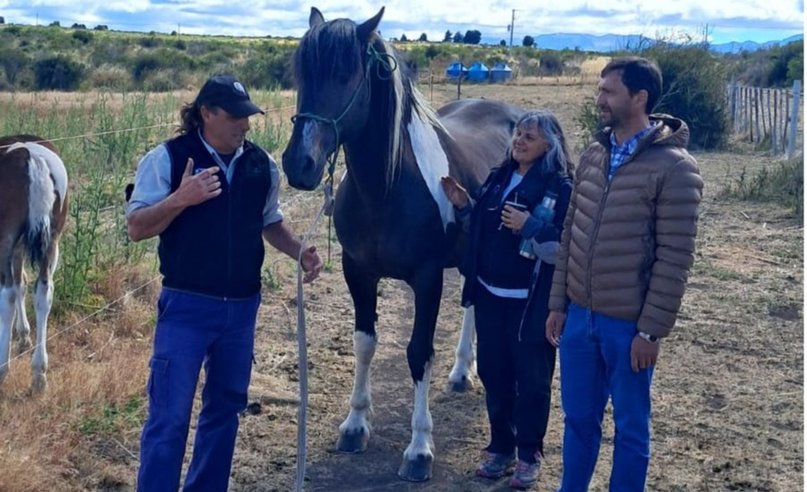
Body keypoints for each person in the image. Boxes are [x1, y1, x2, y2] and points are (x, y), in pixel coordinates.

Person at [126, 74, 323, 492]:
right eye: (235, 116)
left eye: (248, 116)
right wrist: (181, 198)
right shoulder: (167, 159)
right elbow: (137, 227)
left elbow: (270, 223)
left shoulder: (260, 165)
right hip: (186, 309)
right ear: (206, 114)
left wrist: (298, 250)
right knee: (169, 417)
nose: (245, 125)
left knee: (225, 411)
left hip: (241, 311)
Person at [545, 57, 703, 491]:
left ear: (639, 98)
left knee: (631, 430)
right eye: (599, 90)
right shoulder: (595, 155)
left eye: (608, 91)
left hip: (628, 327)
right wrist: (559, 303)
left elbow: (675, 259)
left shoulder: (676, 169)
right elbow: (570, 232)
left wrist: (650, 332)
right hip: (579, 320)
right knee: (577, 421)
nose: (599, 99)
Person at [441, 111, 574, 490]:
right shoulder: (499, 177)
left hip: (530, 303)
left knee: (531, 381)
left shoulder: (560, 188)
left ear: (549, 145)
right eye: (518, 134)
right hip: (489, 295)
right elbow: (482, 227)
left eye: (529, 137)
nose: (519, 141)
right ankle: (501, 447)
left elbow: (563, 247)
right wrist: (465, 205)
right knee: (493, 374)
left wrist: (529, 225)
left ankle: (529, 453)